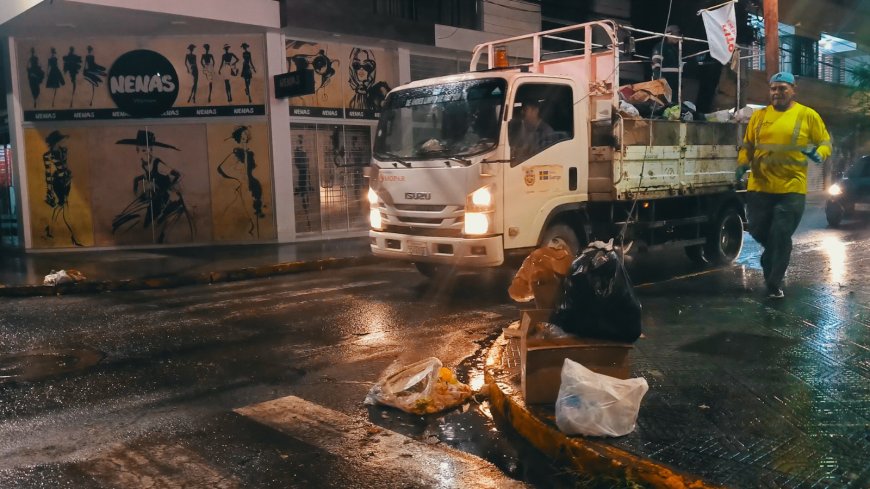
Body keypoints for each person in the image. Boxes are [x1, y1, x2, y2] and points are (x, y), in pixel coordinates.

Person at [736, 72, 831, 299]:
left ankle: (774, 282)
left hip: (791, 187)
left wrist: (819, 154)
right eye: (774, 89)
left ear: (793, 90)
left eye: (782, 88)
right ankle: (770, 256)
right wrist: (742, 163)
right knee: (758, 230)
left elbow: (824, 142)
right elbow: (748, 145)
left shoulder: (807, 115)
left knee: (780, 233)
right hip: (760, 187)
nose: (777, 93)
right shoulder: (759, 116)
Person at [42, 130, 82, 246]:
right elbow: (48, 174)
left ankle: (50, 230)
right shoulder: (48, 156)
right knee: (65, 207)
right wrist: (49, 191)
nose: (65, 142)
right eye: (62, 140)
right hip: (58, 183)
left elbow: (65, 166)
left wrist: (69, 175)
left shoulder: (64, 151)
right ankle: (75, 237)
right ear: (56, 142)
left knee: (60, 206)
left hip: (66, 182)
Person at [651, 25, 681, 100]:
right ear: (669, 34)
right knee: (664, 104)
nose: (679, 36)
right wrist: (662, 81)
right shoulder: (660, 46)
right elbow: (656, 65)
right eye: (677, 33)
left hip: (673, 84)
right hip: (665, 83)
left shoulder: (674, 49)